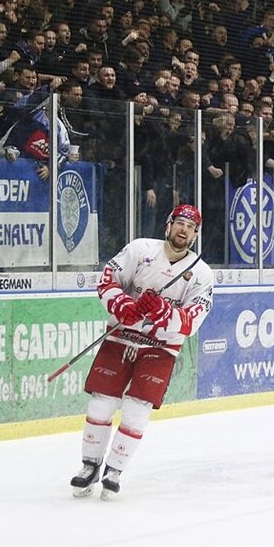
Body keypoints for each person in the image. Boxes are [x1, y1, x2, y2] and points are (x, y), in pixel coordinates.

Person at [70, 205, 214, 499]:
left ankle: (114, 470)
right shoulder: (140, 250)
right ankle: (89, 466)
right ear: (168, 225)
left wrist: (162, 312)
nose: (184, 230)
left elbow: (191, 322)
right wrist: (124, 306)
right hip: (120, 337)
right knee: (101, 404)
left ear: (196, 235)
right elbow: (108, 280)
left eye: (190, 227)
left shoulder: (201, 274)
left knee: (137, 409)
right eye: (180, 223)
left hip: (160, 347)